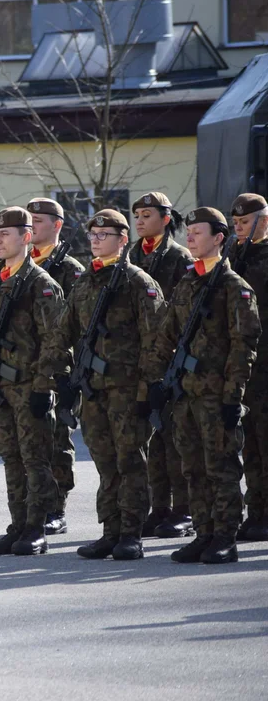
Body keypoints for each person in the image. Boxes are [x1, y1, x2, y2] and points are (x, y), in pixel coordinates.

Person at [47, 209, 164, 560]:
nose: (96, 240)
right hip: (93, 390)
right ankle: (110, 530)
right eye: (93, 235)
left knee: (130, 461)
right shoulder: (84, 282)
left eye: (105, 235)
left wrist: (149, 390)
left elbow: (157, 340)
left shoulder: (138, 282)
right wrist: (60, 377)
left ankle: (131, 533)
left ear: (122, 239)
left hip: (127, 390)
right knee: (105, 463)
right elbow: (62, 332)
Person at [153, 207, 260, 564]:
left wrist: (234, 396)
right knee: (192, 468)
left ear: (220, 238)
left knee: (221, 467)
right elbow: (166, 335)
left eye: (199, 232)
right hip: (185, 394)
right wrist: (155, 380)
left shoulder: (234, 287)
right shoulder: (187, 284)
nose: (191, 238)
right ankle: (204, 532)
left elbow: (244, 346)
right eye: (190, 232)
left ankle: (225, 536)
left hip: (217, 396)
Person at [0, 206, 65, 556]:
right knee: (10, 458)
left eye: (6, 234)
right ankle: (18, 523)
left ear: (25, 237)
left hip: (29, 387)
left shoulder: (41, 285)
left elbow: (54, 341)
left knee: (34, 458)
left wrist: (43, 388)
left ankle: (35, 527)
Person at [130, 192, 195, 538]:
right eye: (137, 215)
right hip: (141, 359)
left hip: (171, 360)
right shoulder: (131, 255)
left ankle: (184, 511)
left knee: (174, 439)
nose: (139, 221)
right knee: (152, 440)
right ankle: (160, 508)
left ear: (166, 219)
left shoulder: (179, 258)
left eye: (147, 214)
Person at [27, 197, 84, 535]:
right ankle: (33, 506)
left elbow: (77, 324)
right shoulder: (19, 264)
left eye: (39, 220)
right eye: (29, 220)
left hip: (58, 367)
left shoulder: (70, 270)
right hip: (24, 368)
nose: (32, 226)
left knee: (56, 439)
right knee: (30, 443)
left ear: (57, 225)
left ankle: (56, 506)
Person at [230, 193, 268, 541]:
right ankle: (256, 512)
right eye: (235, 223)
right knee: (250, 445)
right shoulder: (234, 256)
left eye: (244, 222)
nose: (238, 228)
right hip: (246, 366)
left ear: (264, 221)